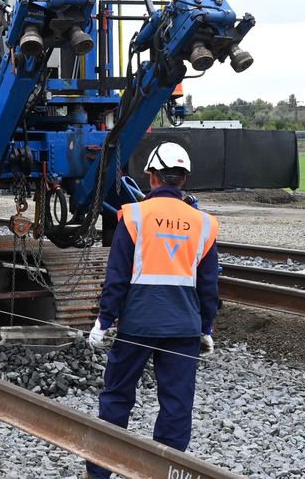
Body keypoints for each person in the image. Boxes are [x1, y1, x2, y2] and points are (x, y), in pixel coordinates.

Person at [84, 142, 219, 476]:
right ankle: (166, 473)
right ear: (183, 180)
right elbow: (209, 285)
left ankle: (99, 472)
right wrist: (206, 328)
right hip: (184, 328)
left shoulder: (133, 215)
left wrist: (103, 320)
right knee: (177, 405)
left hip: (138, 325)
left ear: (153, 178)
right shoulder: (203, 223)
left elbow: (117, 276)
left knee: (117, 397)